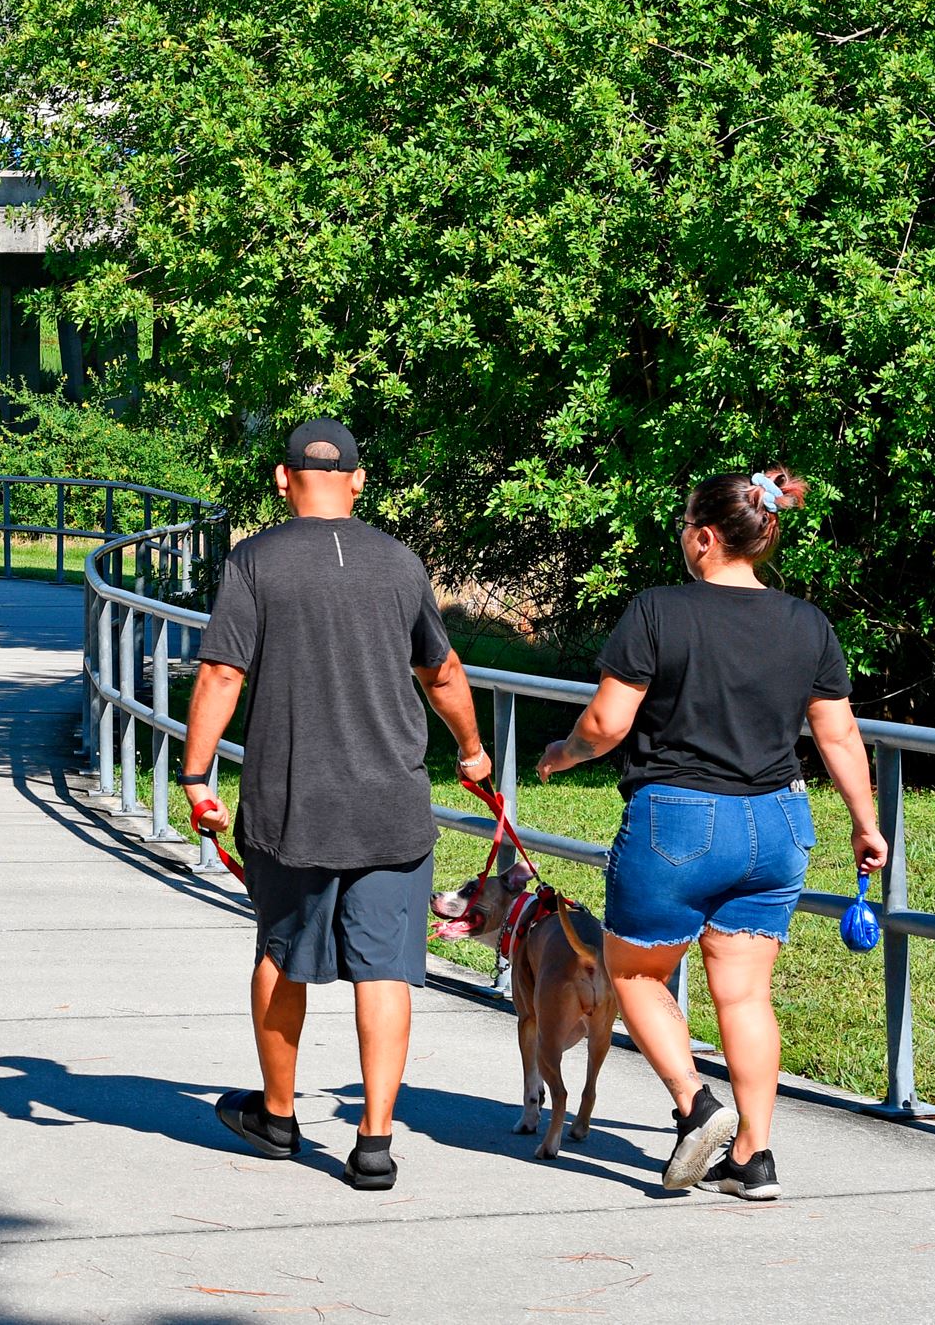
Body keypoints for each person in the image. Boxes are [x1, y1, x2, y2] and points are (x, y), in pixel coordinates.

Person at [537, 467, 885, 1200]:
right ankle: (754, 1158)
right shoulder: (807, 622)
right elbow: (839, 735)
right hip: (779, 824)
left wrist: (562, 754)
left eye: (683, 530)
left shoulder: (658, 610)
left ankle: (696, 1106)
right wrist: (866, 823)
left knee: (634, 973)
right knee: (746, 996)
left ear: (702, 537)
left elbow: (606, 723)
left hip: (679, 822)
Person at [177, 418, 492, 1190]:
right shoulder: (401, 562)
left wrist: (196, 775)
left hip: (294, 806)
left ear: (283, 479)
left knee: (281, 953)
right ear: (358, 480)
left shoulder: (254, 561)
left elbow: (221, 673)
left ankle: (278, 1116)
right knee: (384, 969)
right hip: (392, 805)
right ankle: (374, 1142)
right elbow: (443, 671)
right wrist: (472, 749)